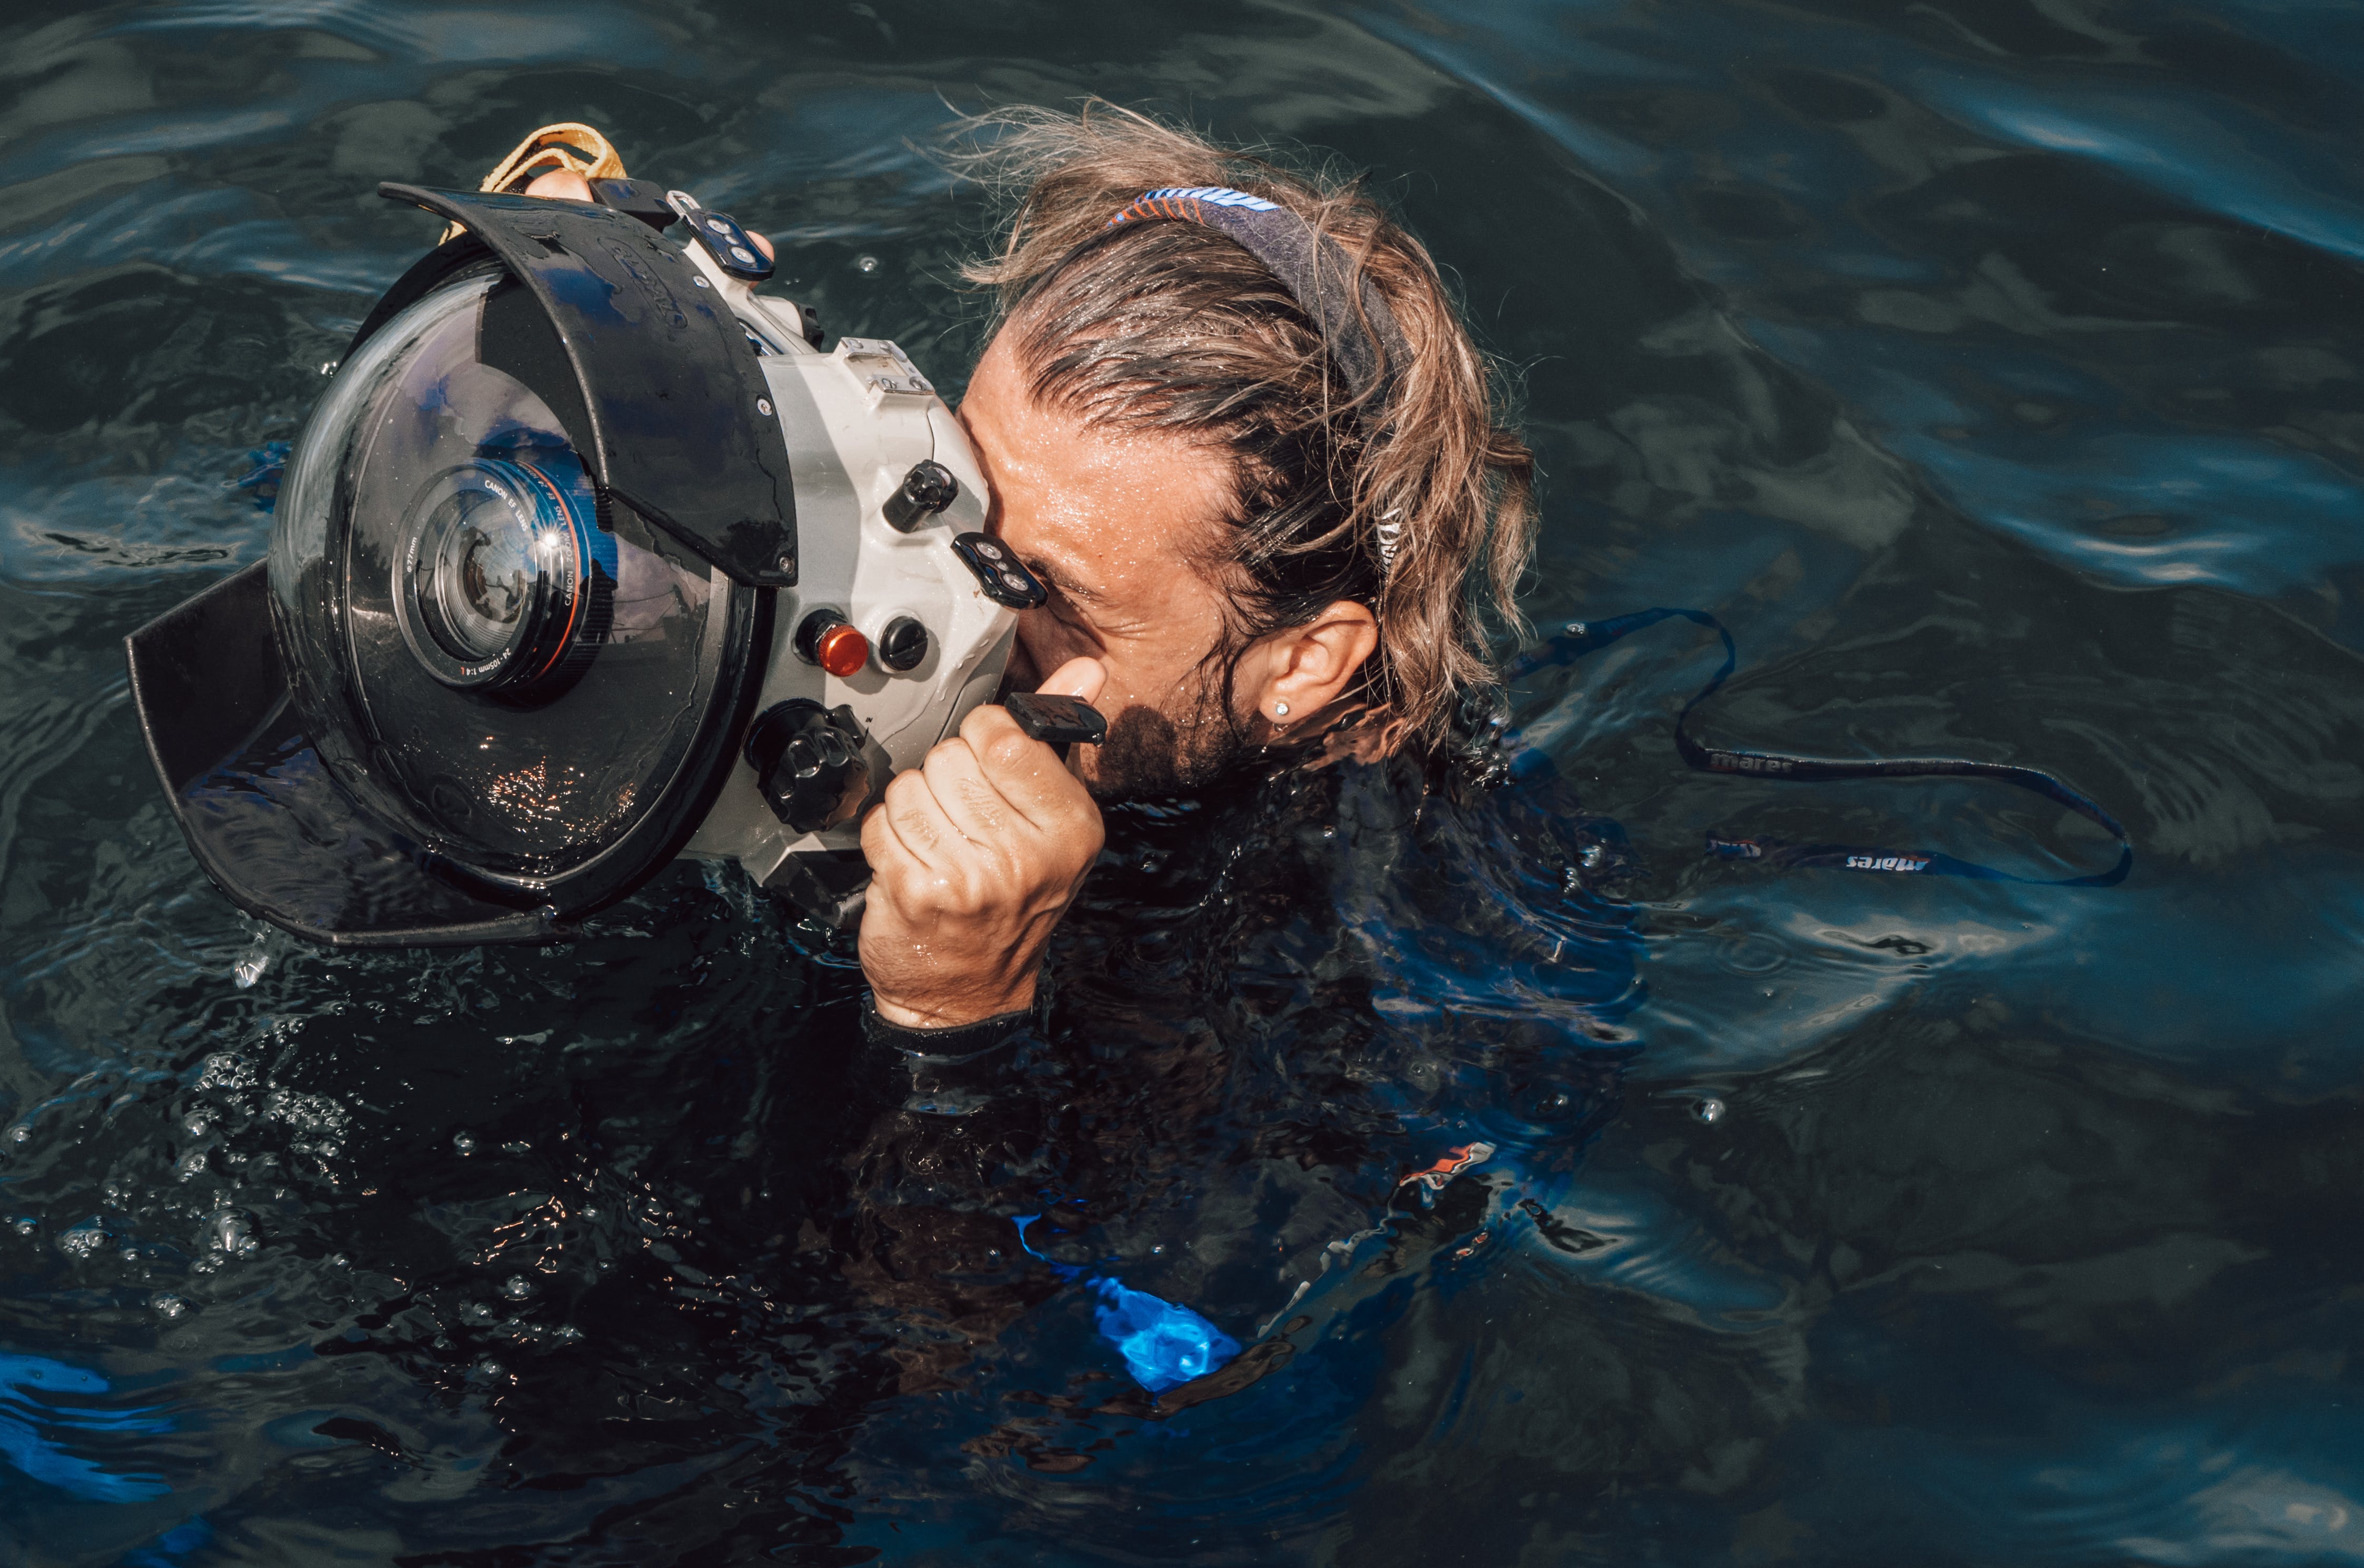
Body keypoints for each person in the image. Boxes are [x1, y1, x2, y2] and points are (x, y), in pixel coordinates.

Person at [507, 105, 1625, 1420]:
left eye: (1044, 597)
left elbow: (1030, 1440)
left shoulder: (1407, 981)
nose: (961, 612)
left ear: (1304, 662)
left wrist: (955, 1038)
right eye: (952, 500)